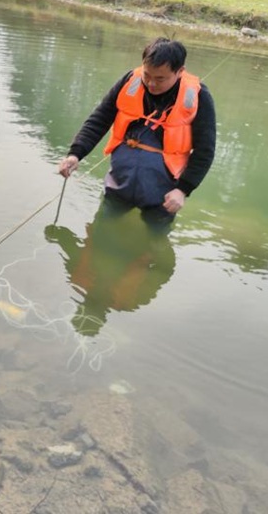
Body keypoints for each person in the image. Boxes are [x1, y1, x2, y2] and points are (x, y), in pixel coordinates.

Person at [58, 37, 216, 232]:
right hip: (119, 183)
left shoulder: (198, 96)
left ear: (179, 72)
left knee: (155, 243)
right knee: (100, 233)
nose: (151, 83)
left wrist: (183, 190)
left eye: (160, 79)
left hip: (163, 193)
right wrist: (75, 154)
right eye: (147, 75)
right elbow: (99, 119)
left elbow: (205, 150)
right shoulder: (130, 80)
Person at [46, 206, 175, 336]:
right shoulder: (132, 300)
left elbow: (68, 243)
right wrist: (161, 244)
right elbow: (166, 270)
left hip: (116, 213)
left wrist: (57, 234)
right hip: (143, 225)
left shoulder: (77, 277)